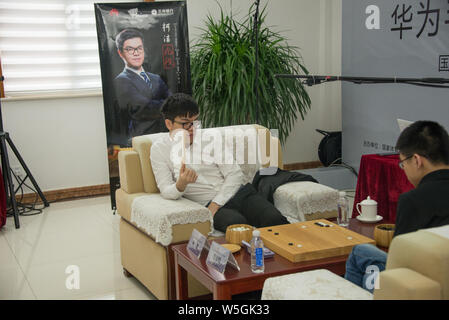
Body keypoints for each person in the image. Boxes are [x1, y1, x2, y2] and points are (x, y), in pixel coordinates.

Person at [150, 93, 289, 232]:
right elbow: (166, 190)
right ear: (169, 123)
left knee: (274, 218)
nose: (192, 128)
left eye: (195, 122)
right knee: (237, 227)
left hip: (238, 193)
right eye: (186, 123)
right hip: (206, 202)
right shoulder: (159, 149)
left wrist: (216, 204)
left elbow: (234, 173)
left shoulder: (209, 139)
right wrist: (181, 184)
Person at [345, 120, 449, 292]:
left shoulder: (413, 200)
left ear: (417, 160)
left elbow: (399, 264)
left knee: (360, 252)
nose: (404, 169)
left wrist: (382, 289)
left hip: (421, 284)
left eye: (403, 163)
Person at [114, 28, 171, 143]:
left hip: (165, 136)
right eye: (130, 49)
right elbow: (143, 108)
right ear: (121, 53)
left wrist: (164, 104)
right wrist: (166, 105)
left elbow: (173, 101)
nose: (136, 53)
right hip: (142, 138)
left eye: (139, 48)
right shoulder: (121, 81)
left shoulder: (156, 78)